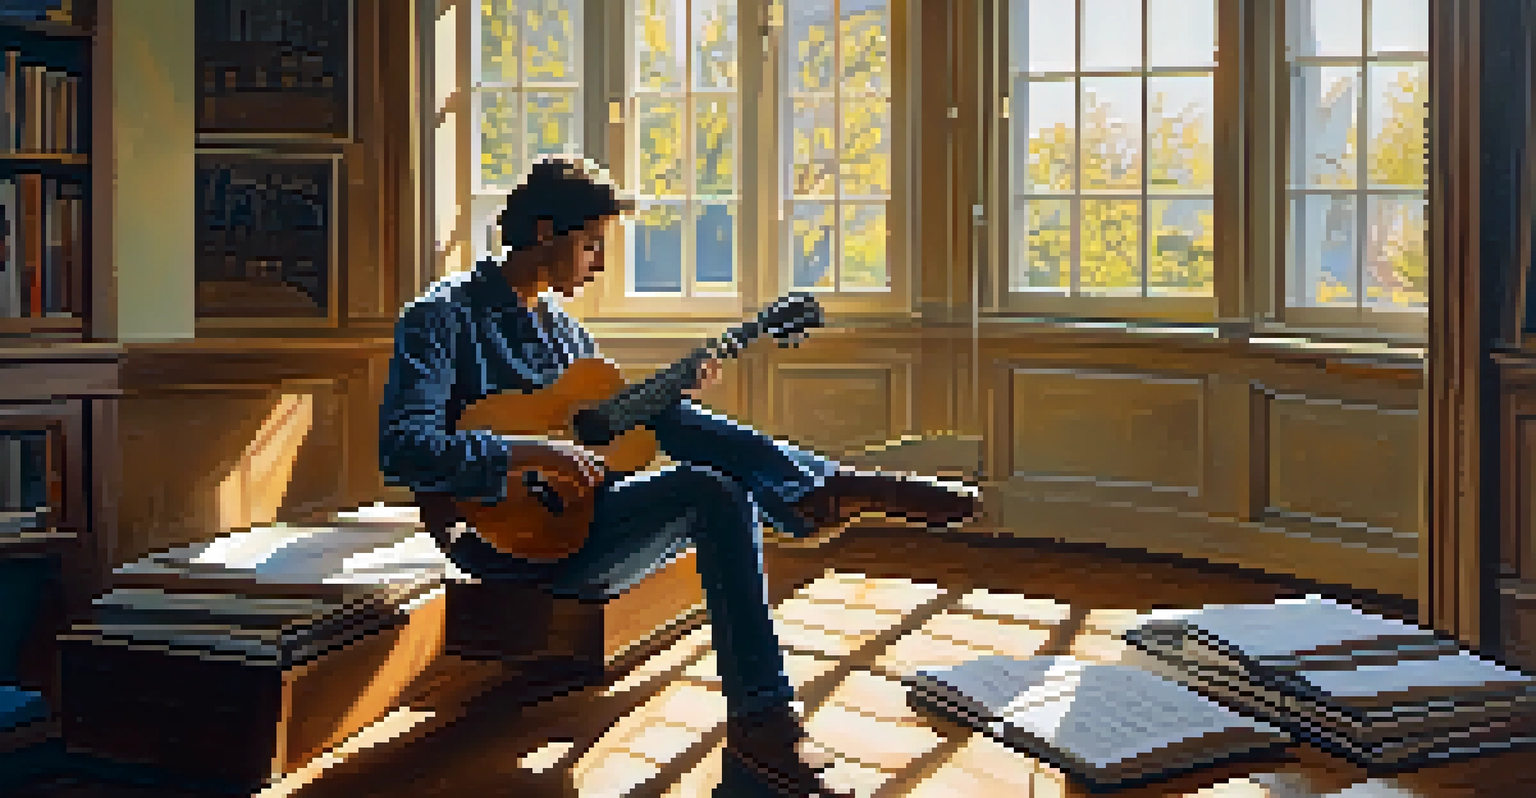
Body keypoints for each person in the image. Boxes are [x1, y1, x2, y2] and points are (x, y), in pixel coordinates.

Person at [379, 155, 979, 797]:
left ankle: (764, 723)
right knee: (706, 483)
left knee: (673, 423)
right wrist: (531, 453)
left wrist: (663, 396)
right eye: (591, 246)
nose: (599, 265)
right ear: (546, 230)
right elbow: (404, 448)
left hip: (581, 522)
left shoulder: (563, 332)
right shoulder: (439, 318)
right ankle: (814, 496)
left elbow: (613, 445)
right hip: (493, 540)